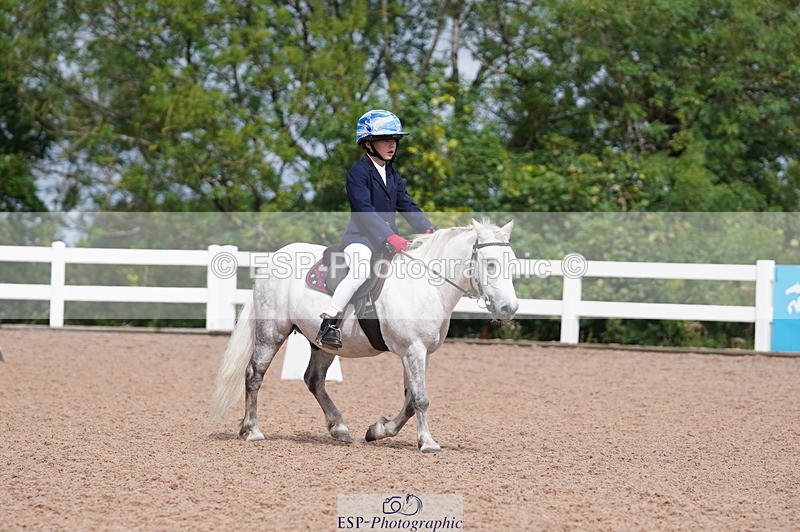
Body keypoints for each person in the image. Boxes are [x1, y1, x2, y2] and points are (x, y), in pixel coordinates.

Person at [316, 109, 435, 349]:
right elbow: (364, 210)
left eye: (394, 140)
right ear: (369, 144)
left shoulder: (392, 173)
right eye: (385, 140)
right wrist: (390, 236)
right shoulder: (357, 173)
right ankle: (330, 322)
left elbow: (406, 204)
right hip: (360, 239)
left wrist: (428, 229)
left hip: (385, 240)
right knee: (359, 271)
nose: (392, 145)